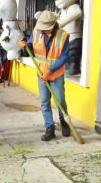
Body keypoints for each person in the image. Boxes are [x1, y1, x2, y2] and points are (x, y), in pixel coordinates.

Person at [19, 10, 71, 141]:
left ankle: (64, 121)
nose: (43, 30)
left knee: (60, 100)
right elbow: (30, 47)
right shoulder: (37, 32)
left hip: (56, 74)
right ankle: (50, 128)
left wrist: (51, 71)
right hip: (41, 73)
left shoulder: (63, 36)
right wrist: (25, 45)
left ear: (53, 26)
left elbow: (64, 57)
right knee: (44, 102)